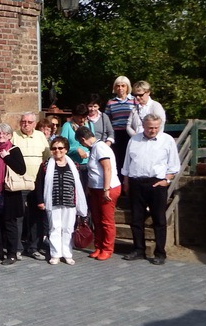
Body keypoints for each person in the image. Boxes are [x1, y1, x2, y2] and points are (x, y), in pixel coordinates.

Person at [121, 114, 179, 265]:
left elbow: (174, 165)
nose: (153, 130)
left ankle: (160, 253)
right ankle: (138, 249)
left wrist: (166, 180)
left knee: (159, 219)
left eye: (156, 127)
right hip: (136, 182)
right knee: (136, 219)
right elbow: (127, 163)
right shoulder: (134, 140)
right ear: (143, 126)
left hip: (156, 183)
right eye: (150, 128)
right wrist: (126, 181)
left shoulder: (167, 140)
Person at [35, 136, 87, 265]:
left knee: (68, 228)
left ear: (66, 149)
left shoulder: (74, 166)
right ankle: (55, 254)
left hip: (70, 202)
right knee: (54, 228)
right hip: (52, 202)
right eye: (54, 148)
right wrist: (40, 201)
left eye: (60, 148)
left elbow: (80, 185)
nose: (57, 150)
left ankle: (67, 253)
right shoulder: (45, 165)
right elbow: (39, 183)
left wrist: (81, 202)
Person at [76, 127, 121, 261]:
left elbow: (107, 168)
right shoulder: (94, 148)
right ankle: (99, 246)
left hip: (106, 188)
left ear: (83, 139)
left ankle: (107, 248)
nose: (82, 145)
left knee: (106, 220)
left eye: (81, 142)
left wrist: (106, 189)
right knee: (96, 219)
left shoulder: (100, 147)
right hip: (95, 189)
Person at [13, 111, 49, 261]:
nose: (26, 124)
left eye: (29, 122)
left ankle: (34, 247)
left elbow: (46, 157)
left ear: (34, 124)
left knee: (36, 217)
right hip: (20, 182)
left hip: (37, 183)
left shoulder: (40, 136)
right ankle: (17, 248)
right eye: (23, 121)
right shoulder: (14, 136)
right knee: (18, 216)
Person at [0, 123, 28, 266]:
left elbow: (21, 169)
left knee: (10, 224)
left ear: (9, 136)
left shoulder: (14, 150)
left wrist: (7, 157)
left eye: (5, 133)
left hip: (10, 192)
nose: (1, 136)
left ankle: (12, 254)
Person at [106, 76, 135, 172]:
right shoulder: (111, 102)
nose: (120, 88)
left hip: (130, 133)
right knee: (118, 159)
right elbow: (107, 119)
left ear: (127, 87)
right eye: (118, 86)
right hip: (116, 133)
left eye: (123, 86)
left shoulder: (134, 101)